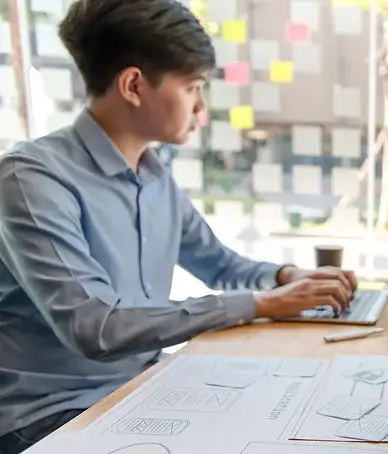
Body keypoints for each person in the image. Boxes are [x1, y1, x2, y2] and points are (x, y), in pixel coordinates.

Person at [0, 1, 357, 452]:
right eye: (192, 88)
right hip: (47, 416)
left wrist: (288, 278)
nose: (202, 109)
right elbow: (97, 327)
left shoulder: (152, 173)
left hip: (141, 386)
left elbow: (217, 262)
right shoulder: (31, 177)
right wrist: (263, 302)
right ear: (133, 85)